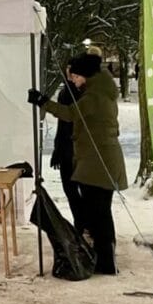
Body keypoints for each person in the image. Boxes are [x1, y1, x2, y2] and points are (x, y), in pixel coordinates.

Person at [27, 50, 127, 275]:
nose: (72, 79)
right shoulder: (99, 90)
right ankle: (103, 258)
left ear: (86, 75)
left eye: (76, 76)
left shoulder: (94, 96)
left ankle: (106, 262)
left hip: (99, 162)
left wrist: (42, 101)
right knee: (98, 211)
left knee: (99, 212)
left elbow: (70, 114)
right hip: (98, 161)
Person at [49, 57, 84, 234]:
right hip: (66, 147)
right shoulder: (65, 92)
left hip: (78, 148)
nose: (71, 75)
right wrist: (57, 150)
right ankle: (81, 222)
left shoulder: (82, 92)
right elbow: (62, 125)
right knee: (70, 189)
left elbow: (69, 118)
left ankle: (82, 223)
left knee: (77, 189)